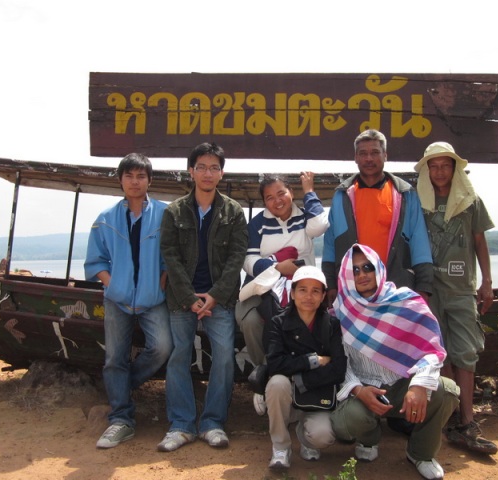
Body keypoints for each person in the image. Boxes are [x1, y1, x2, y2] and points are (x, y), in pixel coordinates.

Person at [331, 244, 459, 479]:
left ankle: (420, 453)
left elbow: (432, 351)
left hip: (403, 385)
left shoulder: (407, 302)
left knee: (446, 391)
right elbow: (340, 361)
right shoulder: (341, 311)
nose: (362, 274)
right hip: (365, 388)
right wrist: (358, 390)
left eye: (367, 267)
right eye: (355, 270)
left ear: (378, 268)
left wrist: (419, 384)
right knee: (347, 421)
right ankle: (369, 439)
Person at [158, 142, 248, 452]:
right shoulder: (174, 211)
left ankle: (213, 423)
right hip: (181, 298)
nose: (207, 173)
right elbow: (170, 256)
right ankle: (181, 425)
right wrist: (189, 297)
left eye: (214, 168)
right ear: (191, 171)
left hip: (219, 299)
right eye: (201, 167)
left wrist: (214, 296)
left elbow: (236, 257)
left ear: (221, 173)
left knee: (224, 357)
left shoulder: (233, 212)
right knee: (179, 355)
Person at [414, 141, 498, 454]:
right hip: (430, 289)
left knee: (465, 353)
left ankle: (468, 421)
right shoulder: (418, 201)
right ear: (427, 170)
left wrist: (487, 282)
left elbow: (480, 241)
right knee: (441, 354)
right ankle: (449, 418)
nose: (439, 172)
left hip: (462, 289)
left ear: (454, 168)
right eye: (433, 166)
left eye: (445, 165)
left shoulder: (470, 200)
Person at [84, 153, 172, 449]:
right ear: (120, 180)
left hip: (153, 298)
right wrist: (113, 284)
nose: (135, 182)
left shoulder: (165, 214)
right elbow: (95, 260)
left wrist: (161, 281)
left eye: (141, 176)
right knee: (114, 358)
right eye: (129, 176)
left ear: (150, 180)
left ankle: (123, 384)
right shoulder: (106, 219)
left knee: (162, 347)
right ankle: (121, 419)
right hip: (117, 299)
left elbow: (172, 255)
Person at [236, 173, 329, 415]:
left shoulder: (305, 216)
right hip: (261, 286)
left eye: (281, 193)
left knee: (301, 321)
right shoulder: (257, 223)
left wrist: (309, 190)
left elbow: (320, 226)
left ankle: (297, 380)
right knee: (251, 320)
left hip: (300, 285)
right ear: (264, 202)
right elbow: (248, 261)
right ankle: (263, 373)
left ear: (291, 192)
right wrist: (277, 267)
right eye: (269, 197)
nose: (277, 201)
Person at [322, 129, 433, 305]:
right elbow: (330, 243)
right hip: (353, 290)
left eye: (375, 152)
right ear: (355, 158)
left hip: (396, 288)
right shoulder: (342, 196)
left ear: (385, 155)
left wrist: (423, 286)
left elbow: (419, 242)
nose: (369, 158)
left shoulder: (405, 194)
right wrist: (330, 284)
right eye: (363, 153)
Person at [265, 266, 347, 470]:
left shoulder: (332, 325)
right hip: (287, 397)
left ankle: (305, 437)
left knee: (323, 437)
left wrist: (300, 380)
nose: (308, 296)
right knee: (276, 383)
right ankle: (280, 447)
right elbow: (274, 364)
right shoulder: (278, 322)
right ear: (292, 293)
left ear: (323, 296)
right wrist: (313, 360)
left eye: (315, 291)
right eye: (302, 290)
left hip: (316, 396)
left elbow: (338, 369)